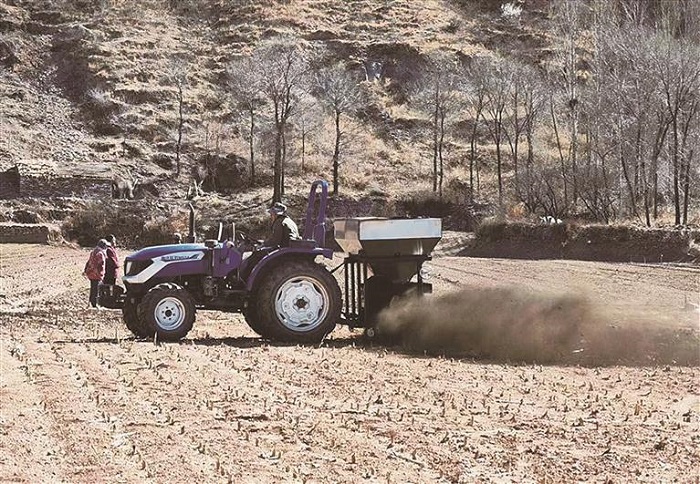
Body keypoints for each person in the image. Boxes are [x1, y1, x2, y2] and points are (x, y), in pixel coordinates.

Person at [83, 239, 108, 308]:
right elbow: (99, 264)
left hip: (91, 273)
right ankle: (94, 305)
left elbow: (89, 262)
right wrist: (100, 273)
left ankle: (90, 303)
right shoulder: (100, 253)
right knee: (96, 290)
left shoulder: (93, 251)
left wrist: (86, 270)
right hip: (97, 274)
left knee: (93, 289)